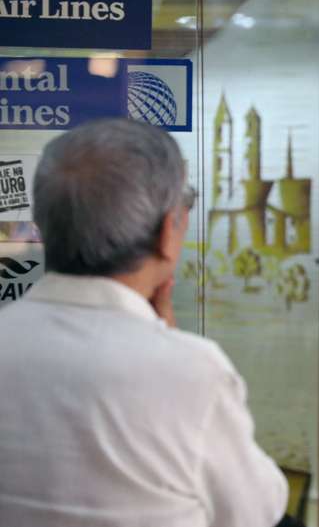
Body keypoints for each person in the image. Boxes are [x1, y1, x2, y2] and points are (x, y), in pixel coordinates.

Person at [0, 119, 288, 527]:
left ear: (44, 226)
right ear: (168, 232)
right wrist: (167, 344)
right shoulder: (193, 372)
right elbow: (255, 511)